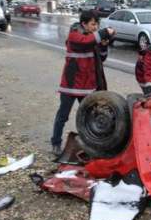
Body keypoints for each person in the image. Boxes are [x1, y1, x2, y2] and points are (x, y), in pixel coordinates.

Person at [50, 10, 116, 156]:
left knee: (90, 116)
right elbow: (84, 43)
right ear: (83, 23)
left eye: (97, 24)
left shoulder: (92, 37)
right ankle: (55, 143)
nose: (95, 27)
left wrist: (105, 45)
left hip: (87, 86)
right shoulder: (75, 35)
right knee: (63, 115)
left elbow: (101, 58)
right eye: (93, 24)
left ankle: (92, 142)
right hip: (71, 85)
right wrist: (104, 32)